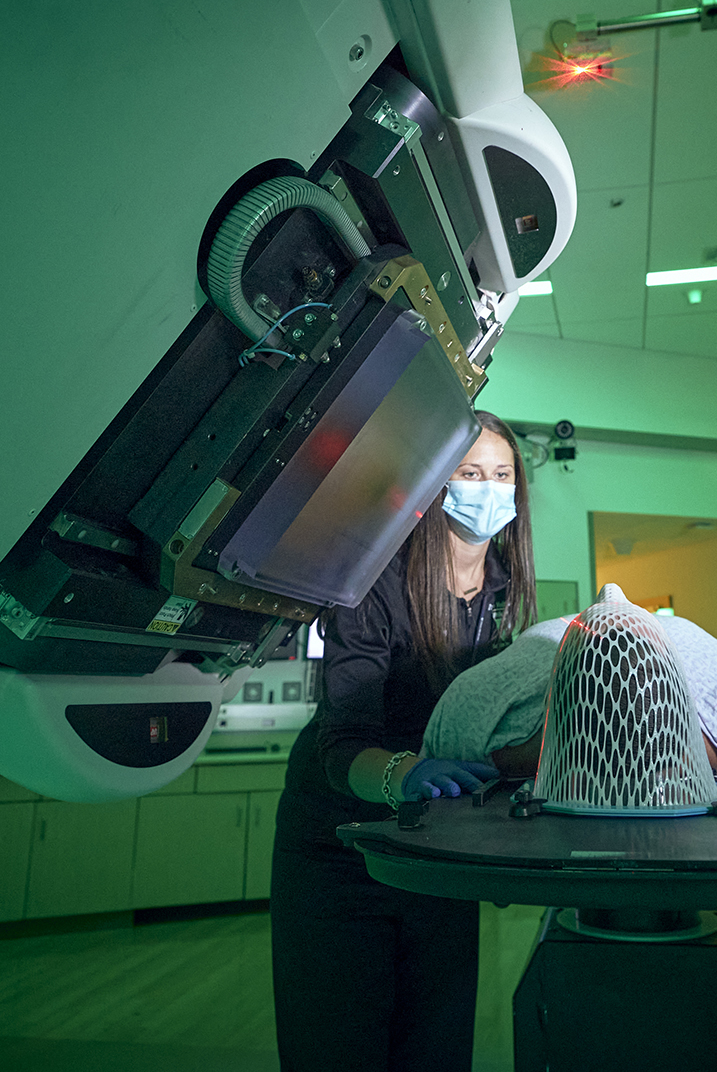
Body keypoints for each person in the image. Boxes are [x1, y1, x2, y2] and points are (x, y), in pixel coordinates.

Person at [269, 410, 537, 1072]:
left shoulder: (504, 590)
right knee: (337, 1044)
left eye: (501, 474)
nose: (488, 486)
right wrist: (403, 774)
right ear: (436, 483)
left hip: (437, 844)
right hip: (342, 839)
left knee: (437, 1045)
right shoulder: (376, 579)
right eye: (470, 472)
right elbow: (343, 742)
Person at [423, 583, 717, 779]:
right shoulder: (476, 712)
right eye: (595, 761)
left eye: (656, 763)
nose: (625, 776)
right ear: (553, 721)